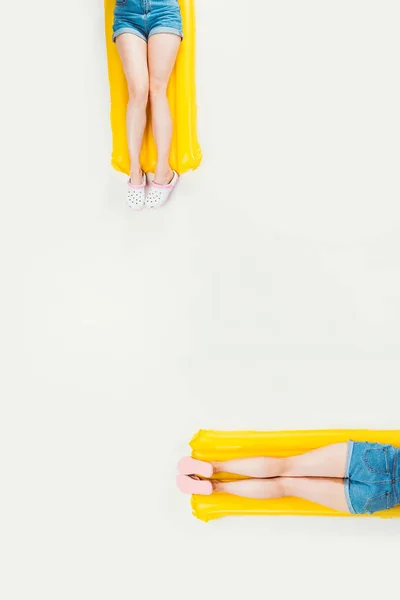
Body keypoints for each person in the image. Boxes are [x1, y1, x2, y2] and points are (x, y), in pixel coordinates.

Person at [177, 441, 400, 515]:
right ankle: (217, 488)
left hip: (382, 461)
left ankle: (214, 467)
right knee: (287, 486)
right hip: (383, 497)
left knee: (288, 465)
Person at [113, 0, 183, 210]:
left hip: (164, 9)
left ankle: (164, 172)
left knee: (157, 89)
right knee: (138, 89)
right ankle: (136, 171)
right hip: (127, 12)